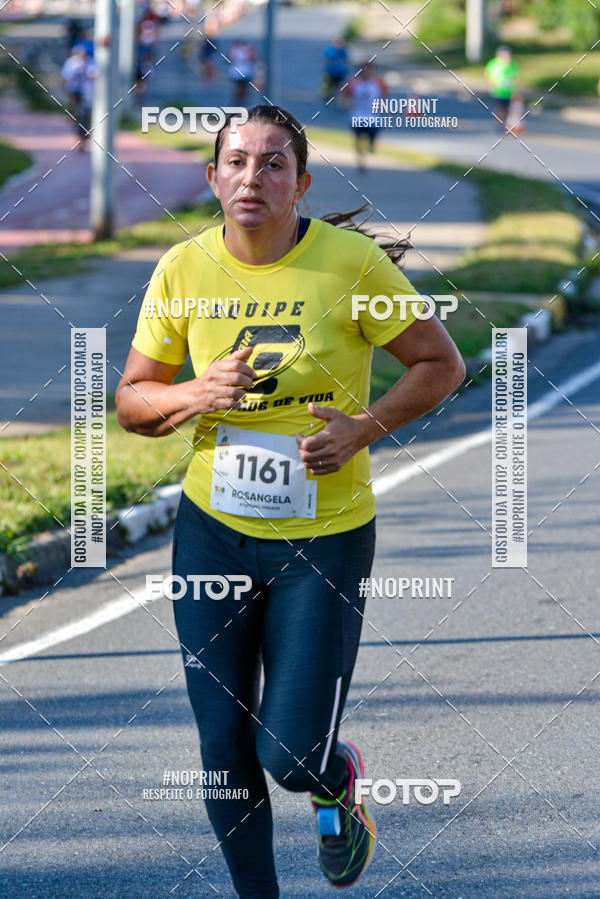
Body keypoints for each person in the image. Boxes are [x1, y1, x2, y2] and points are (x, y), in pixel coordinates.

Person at [116, 104, 465, 897]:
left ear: (301, 183)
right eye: (236, 161)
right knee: (221, 748)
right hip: (213, 537)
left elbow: (440, 364)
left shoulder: (350, 267)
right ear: (211, 178)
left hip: (325, 538)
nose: (253, 177)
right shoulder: (183, 270)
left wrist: (363, 429)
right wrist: (196, 393)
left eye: (274, 163)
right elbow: (133, 400)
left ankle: (338, 778)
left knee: (290, 755)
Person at [348, 62, 388, 173]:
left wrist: (382, 104)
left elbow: (385, 93)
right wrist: (347, 103)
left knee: (371, 139)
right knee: (358, 140)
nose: (365, 72)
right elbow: (346, 95)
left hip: (373, 117)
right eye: (363, 69)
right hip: (357, 116)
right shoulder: (354, 82)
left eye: (368, 69)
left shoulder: (378, 82)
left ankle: (371, 144)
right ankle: (361, 162)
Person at [61, 44, 96, 149]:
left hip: (87, 92)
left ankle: (85, 135)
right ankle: (79, 132)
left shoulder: (90, 62)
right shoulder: (71, 62)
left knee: (86, 114)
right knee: (78, 114)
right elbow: (66, 76)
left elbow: (95, 74)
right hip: (75, 92)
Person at [485, 45, 520, 130]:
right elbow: (488, 74)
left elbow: (517, 77)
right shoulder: (493, 63)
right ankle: (499, 122)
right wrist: (492, 85)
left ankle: (504, 122)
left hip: (509, 91)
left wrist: (516, 88)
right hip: (498, 91)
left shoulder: (512, 65)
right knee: (501, 107)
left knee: (507, 108)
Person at [228, 38, 257, 105]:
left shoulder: (247, 49)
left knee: (243, 90)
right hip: (238, 73)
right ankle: (239, 104)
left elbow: (253, 58)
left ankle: (242, 104)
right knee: (239, 90)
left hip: (244, 73)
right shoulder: (234, 48)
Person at [322, 36, 349, 102]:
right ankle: (327, 95)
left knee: (336, 84)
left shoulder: (342, 51)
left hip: (339, 71)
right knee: (329, 84)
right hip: (331, 70)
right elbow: (328, 59)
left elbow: (345, 60)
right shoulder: (331, 50)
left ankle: (333, 96)